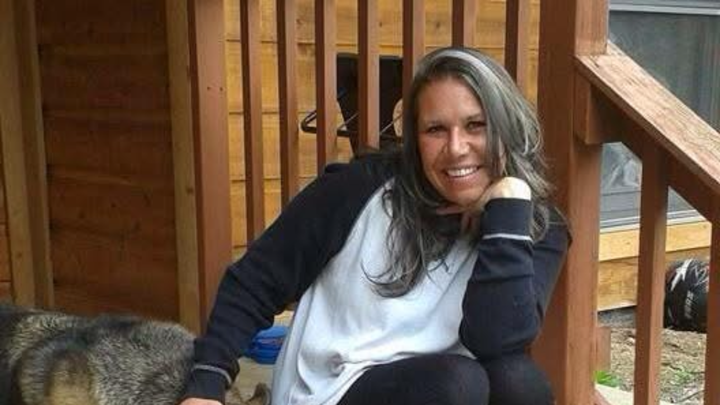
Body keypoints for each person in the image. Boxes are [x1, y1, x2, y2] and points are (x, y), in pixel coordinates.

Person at [179, 46, 570, 405]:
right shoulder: (359, 189)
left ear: (507, 127)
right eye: (435, 129)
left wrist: (506, 214)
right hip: (333, 390)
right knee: (457, 383)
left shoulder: (536, 226)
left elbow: (498, 340)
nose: (455, 148)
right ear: (415, 140)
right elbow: (255, 280)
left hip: (443, 389)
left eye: (476, 125)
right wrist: (206, 384)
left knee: (520, 383)